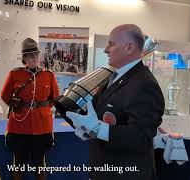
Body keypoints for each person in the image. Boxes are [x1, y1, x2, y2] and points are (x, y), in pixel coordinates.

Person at [66, 24, 165, 180]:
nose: (106, 50)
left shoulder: (145, 84)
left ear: (129, 47)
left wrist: (97, 129)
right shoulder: (114, 77)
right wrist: (88, 128)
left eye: (111, 44)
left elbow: (141, 137)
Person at [1, 38, 59, 180]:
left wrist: (40, 109)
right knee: (19, 164)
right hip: (19, 126)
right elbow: (5, 96)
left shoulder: (49, 75)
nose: (34, 58)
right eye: (30, 55)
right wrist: (19, 107)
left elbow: (54, 98)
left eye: (36, 54)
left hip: (42, 126)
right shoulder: (15, 74)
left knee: (40, 164)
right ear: (24, 58)